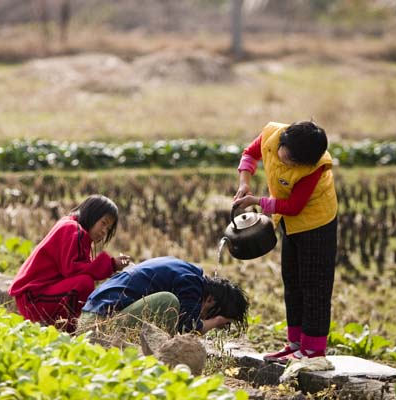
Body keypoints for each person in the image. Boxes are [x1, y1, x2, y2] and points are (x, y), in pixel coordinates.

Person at [233, 120, 338, 363]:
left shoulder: (316, 166)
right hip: (290, 224)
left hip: (317, 223)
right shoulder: (272, 135)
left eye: (295, 164)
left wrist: (257, 201)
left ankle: (314, 350)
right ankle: (295, 344)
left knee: (315, 286)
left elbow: (294, 206)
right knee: (292, 281)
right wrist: (244, 184)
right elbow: (250, 154)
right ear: (282, 142)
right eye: (288, 158)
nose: (289, 164)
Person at [8, 194, 132, 331]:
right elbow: (73, 270)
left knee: (85, 281)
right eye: (103, 223)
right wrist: (111, 264)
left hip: (32, 297)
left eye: (108, 229)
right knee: (84, 282)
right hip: (34, 300)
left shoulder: (73, 227)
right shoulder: (73, 230)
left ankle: (64, 325)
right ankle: (69, 328)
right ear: (92, 214)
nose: (104, 231)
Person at [79, 256, 249, 335]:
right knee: (168, 302)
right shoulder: (192, 283)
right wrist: (216, 321)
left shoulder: (187, 272)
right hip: (97, 324)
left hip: (92, 316)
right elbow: (188, 328)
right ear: (211, 300)